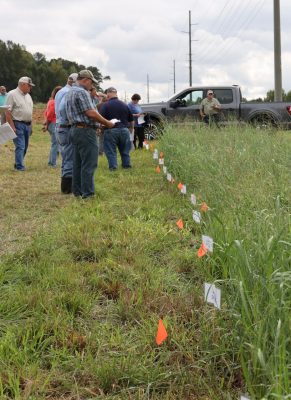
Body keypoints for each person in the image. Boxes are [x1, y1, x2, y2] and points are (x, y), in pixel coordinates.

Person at [65, 70, 114, 199]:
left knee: (78, 163)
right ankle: (88, 194)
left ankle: (78, 192)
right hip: (85, 131)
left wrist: (98, 124)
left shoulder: (70, 91)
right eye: (91, 82)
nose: (91, 86)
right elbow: (90, 112)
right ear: (86, 80)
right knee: (89, 163)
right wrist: (107, 122)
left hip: (75, 129)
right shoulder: (82, 92)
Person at [99, 87, 134, 171]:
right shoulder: (124, 104)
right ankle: (126, 166)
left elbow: (100, 119)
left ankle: (113, 168)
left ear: (108, 94)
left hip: (111, 131)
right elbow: (131, 120)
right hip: (124, 130)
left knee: (111, 151)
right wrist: (131, 131)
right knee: (125, 151)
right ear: (116, 93)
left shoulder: (105, 105)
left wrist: (100, 129)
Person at [54, 73, 78, 193]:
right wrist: (71, 120)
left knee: (65, 157)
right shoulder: (68, 92)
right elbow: (63, 109)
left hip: (59, 126)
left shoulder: (60, 91)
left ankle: (65, 186)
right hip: (66, 126)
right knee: (69, 157)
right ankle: (67, 188)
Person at [5, 77, 35, 171]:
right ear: (22, 84)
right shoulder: (12, 94)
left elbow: (30, 111)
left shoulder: (28, 96)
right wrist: (11, 126)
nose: (30, 88)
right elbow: (7, 111)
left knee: (25, 147)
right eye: (29, 86)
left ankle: (18, 162)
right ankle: (19, 167)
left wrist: (31, 126)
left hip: (27, 124)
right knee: (20, 146)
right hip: (17, 124)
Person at [43, 85, 62, 167]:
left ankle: (52, 161)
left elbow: (46, 113)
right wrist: (46, 124)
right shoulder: (54, 102)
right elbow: (49, 114)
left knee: (55, 143)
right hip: (53, 124)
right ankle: (52, 163)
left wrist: (46, 124)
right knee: (55, 144)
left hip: (52, 123)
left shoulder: (51, 101)